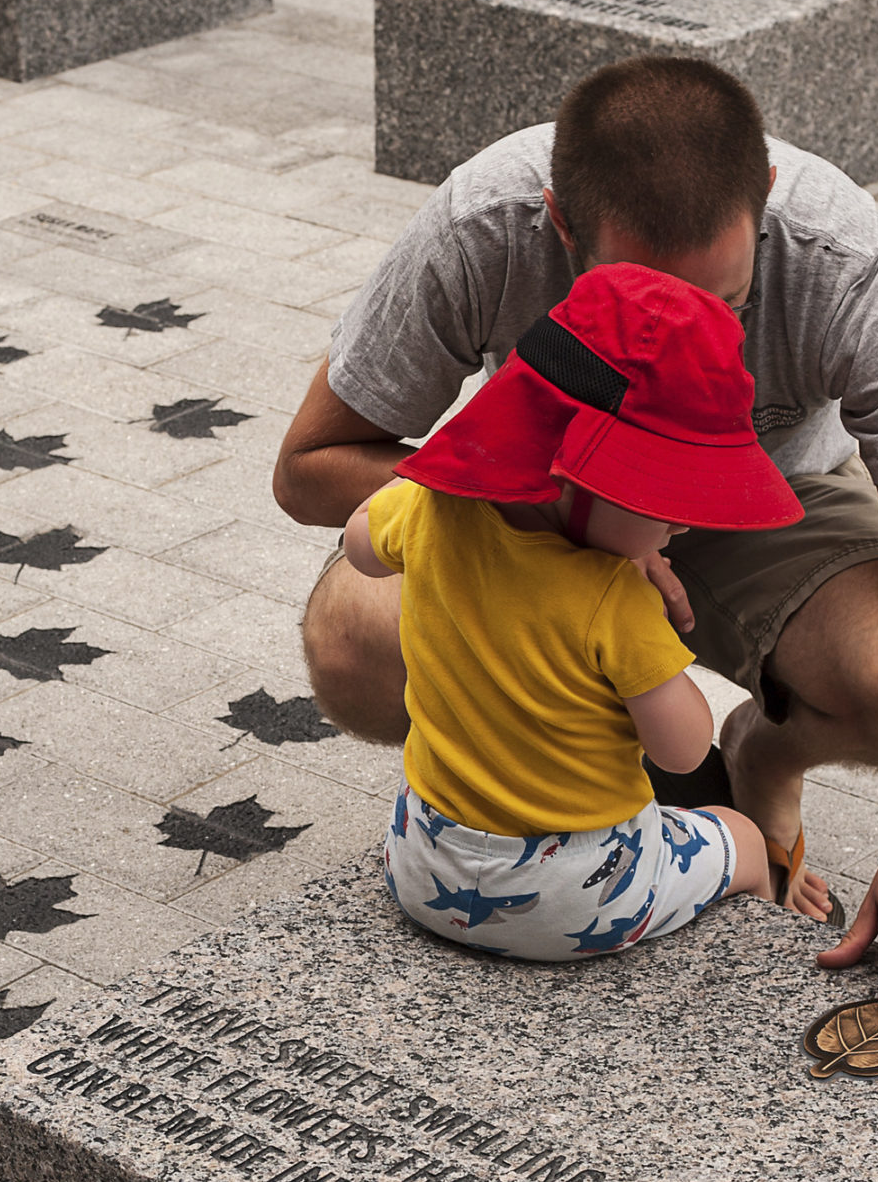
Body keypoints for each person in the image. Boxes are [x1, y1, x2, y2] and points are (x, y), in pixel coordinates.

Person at [275, 55, 878, 1020]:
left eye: (721, 306)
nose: (685, 339)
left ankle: (764, 756)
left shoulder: (840, 258)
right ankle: (543, 797)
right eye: (640, 303)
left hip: (776, 505)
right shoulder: (485, 221)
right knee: (352, 634)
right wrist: (551, 514)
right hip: (548, 514)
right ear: (559, 223)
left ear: (762, 197)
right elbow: (309, 467)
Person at [346, 263, 810, 962]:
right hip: (580, 896)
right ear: (583, 475)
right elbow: (680, 750)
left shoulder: (433, 508)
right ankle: (769, 941)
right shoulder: (614, 598)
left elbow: (359, 545)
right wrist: (649, 634)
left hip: (421, 861)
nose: (682, 525)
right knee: (733, 834)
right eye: (666, 497)